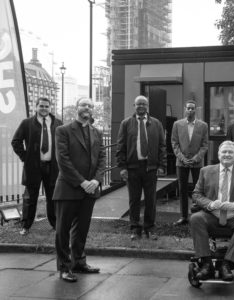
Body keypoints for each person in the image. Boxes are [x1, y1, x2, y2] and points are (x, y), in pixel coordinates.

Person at [53, 97, 106, 283]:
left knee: (81, 229)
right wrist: (82, 182)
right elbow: (63, 160)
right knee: (63, 230)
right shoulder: (63, 130)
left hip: (90, 189)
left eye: (91, 106)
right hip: (68, 188)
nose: (88, 108)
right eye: (84, 105)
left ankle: (79, 263)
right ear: (77, 108)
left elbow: (102, 159)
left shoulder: (97, 132)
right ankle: (64, 267)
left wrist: (96, 181)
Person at [190, 140, 234, 282]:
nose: (227, 154)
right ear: (218, 154)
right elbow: (196, 194)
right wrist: (209, 204)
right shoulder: (206, 171)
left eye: (230, 152)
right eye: (224, 152)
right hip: (212, 216)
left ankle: (227, 265)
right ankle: (206, 265)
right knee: (196, 218)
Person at [116, 95, 167, 240]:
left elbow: (162, 146)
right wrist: (122, 167)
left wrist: (162, 165)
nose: (141, 107)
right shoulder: (126, 123)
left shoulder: (156, 124)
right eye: (138, 104)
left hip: (150, 168)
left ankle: (149, 228)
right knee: (134, 199)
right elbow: (120, 146)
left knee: (151, 199)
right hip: (132, 168)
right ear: (134, 106)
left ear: (147, 106)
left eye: (144, 104)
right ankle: (135, 229)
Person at [11, 97, 63, 235]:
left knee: (53, 197)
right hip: (33, 166)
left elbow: (64, 144)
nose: (44, 108)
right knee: (29, 197)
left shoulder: (58, 123)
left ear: (50, 108)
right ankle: (26, 226)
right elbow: (16, 141)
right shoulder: (27, 123)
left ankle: (56, 224)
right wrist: (25, 158)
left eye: (46, 106)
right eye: (41, 106)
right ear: (36, 107)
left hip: (52, 167)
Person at [171, 100, 208, 226]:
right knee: (182, 189)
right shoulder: (177, 124)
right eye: (188, 108)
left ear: (196, 109)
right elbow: (174, 143)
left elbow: (204, 145)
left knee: (198, 190)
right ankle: (183, 216)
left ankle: (198, 217)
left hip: (197, 163)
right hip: (181, 163)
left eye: (193, 108)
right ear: (185, 109)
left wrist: (197, 158)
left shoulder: (203, 126)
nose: (190, 110)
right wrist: (182, 158)